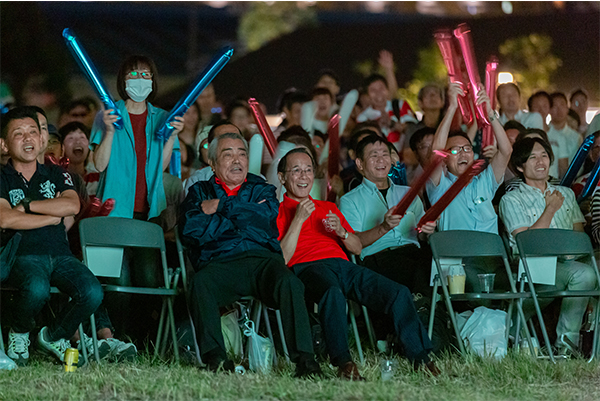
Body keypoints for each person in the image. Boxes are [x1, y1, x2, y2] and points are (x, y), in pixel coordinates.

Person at [277, 148, 438, 380]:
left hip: (342, 265)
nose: (303, 176)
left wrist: (342, 232)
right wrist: (299, 219)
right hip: (307, 267)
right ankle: (344, 363)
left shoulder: (328, 208)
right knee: (332, 293)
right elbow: (282, 258)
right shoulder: (278, 211)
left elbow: (356, 248)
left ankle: (421, 359)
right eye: (296, 171)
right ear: (282, 177)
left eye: (308, 170)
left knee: (398, 292)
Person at [178, 132, 321, 377]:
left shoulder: (262, 189)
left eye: (242, 154)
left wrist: (221, 207)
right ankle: (216, 360)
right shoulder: (199, 192)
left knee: (290, 282)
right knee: (200, 283)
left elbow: (265, 219)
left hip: (262, 261)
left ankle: (306, 362)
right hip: (221, 262)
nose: (237, 160)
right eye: (228, 154)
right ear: (212, 164)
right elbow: (191, 230)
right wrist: (242, 218)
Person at [0, 107, 103, 366]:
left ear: (41, 139)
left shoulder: (57, 173)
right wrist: (49, 215)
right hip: (21, 254)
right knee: (37, 288)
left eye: (33, 132)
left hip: (60, 254)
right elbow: (5, 219)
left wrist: (25, 206)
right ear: (3, 144)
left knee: (91, 291)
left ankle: (53, 335)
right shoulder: (1, 176)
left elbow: (71, 206)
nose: (28, 138)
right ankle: (20, 331)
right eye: (19, 133)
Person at [499, 137, 595, 355]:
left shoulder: (567, 194)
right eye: (532, 157)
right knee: (583, 275)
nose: (540, 161)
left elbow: (578, 237)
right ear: (520, 166)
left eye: (544, 155)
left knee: (585, 271)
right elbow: (527, 244)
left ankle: (565, 345)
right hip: (530, 267)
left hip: (566, 264)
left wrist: (570, 253)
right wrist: (550, 209)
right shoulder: (512, 200)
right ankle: (564, 344)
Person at [427, 82, 512, 293]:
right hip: (459, 264)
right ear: (445, 160)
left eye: (467, 149)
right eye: (455, 151)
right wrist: (452, 109)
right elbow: (436, 150)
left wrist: (490, 115)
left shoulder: (484, 181)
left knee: (523, 285)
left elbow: (506, 150)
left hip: (491, 259)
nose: (463, 153)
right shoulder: (439, 186)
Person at [340, 134, 436, 295]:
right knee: (419, 271)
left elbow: (422, 235)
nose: (381, 160)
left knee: (436, 263)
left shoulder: (408, 194)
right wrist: (383, 227)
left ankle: (423, 307)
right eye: (374, 155)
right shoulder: (349, 200)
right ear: (360, 164)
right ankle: (424, 308)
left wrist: (427, 231)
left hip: (414, 255)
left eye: (385, 154)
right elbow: (354, 242)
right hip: (378, 260)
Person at [548, 92, 582, 179]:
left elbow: (580, 165)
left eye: (562, 105)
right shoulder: (544, 134)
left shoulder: (576, 137)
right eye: (555, 106)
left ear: (567, 108)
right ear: (549, 109)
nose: (559, 110)